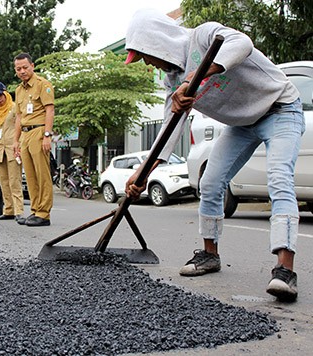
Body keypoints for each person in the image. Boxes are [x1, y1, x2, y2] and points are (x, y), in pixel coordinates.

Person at [124, 9, 304, 302]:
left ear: (156, 41)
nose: (147, 61)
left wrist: (200, 73)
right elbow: (170, 130)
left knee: (279, 179)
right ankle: (210, 254)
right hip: (242, 124)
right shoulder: (173, 83)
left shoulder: (203, 35)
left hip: (280, 108)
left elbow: (242, 44)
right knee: (210, 182)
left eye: (144, 54)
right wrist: (142, 173)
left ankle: (285, 270)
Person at [13, 53, 55, 227]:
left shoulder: (43, 84)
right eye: (18, 69)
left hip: (38, 131)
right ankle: (35, 210)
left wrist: (47, 135)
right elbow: (18, 117)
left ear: (32, 66)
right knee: (29, 175)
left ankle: (44, 213)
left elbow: (50, 110)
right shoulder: (18, 90)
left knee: (42, 174)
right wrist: (15, 141)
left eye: (25, 67)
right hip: (25, 134)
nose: (22, 71)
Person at [0, 81, 24, 221]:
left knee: (15, 181)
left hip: (12, 148)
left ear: (6, 94)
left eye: (0, 95)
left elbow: (20, 126)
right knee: (3, 182)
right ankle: (8, 210)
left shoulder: (14, 108)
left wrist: (19, 145)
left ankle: (19, 211)